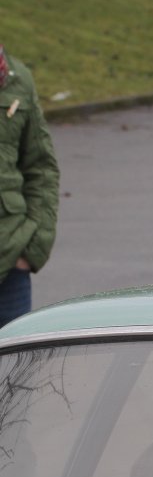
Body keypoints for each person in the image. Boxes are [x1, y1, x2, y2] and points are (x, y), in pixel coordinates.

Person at [0, 44, 59, 328]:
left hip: (9, 263)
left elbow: (41, 168)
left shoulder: (17, 79)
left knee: (15, 357)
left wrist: (32, 248)